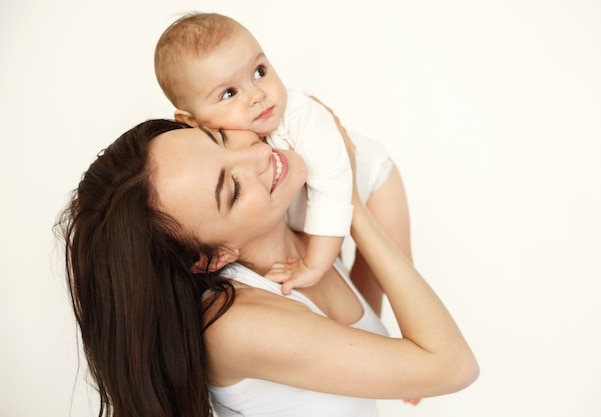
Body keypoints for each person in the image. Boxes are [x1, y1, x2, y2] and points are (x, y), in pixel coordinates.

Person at [57, 108, 478, 416]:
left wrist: (400, 370)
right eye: (233, 189)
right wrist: (347, 204)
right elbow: (454, 367)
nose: (257, 157)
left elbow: (380, 174)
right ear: (212, 257)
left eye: (220, 138)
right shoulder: (234, 325)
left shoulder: (301, 234)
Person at [154, 13, 411, 303]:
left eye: (259, 72)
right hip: (312, 203)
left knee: (392, 275)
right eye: (229, 93)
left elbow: (332, 191)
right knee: (356, 283)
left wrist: (313, 265)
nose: (256, 95)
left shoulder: (302, 117)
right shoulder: (231, 152)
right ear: (191, 122)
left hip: (372, 184)